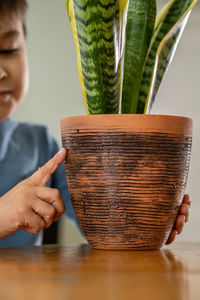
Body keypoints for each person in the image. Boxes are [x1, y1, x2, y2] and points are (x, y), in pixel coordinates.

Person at [0, 0, 190, 248]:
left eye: (9, 50)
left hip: (28, 286)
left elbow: (102, 220)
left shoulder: (40, 145)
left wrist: (148, 211)